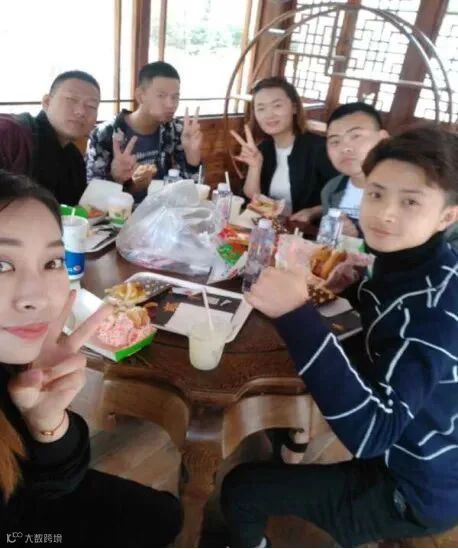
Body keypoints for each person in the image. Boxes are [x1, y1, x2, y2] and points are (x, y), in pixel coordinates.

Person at [221, 126, 458, 547]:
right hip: (413, 443)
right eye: (376, 194)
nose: (385, 214)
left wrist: (296, 313)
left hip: (418, 484)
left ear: (447, 217)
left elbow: (372, 433)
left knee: (241, 490)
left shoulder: (433, 315)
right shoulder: (417, 261)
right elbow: (387, 325)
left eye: (410, 202)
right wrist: (359, 287)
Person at [0, 171, 183, 547]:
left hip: (28, 496)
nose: (38, 297)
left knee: (166, 514)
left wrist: (46, 422)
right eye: (2, 264)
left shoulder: (17, 359)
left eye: (52, 262)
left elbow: (56, 481)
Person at [85, 61, 202, 202]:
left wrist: (192, 159)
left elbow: (191, 193)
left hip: (163, 210)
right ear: (140, 96)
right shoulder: (104, 134)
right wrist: (117, 180)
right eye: (161, 95)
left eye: (175, 97)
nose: (171, 104)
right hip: (120, 214)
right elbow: (93, 201)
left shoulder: (175, 130)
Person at [231, 77, 337, 217]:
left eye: (277, 106)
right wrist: (255, 166)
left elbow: (344, 196)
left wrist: (313, 212)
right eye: (261, 108)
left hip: (308, 229)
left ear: (294, 108)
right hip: (270, 226)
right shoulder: (263, 149)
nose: (269, 115)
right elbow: (252, 199)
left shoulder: (320, 148)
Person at [0, 71, 100, 205]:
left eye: (91, 106)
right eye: (71, 100)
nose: (81, 111)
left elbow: (77, 211)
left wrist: (116, 178)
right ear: (47, 102)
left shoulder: (74, 159)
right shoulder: (10, 133)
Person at [291, 102, 388, 237]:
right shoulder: (332, 189)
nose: (345, 148)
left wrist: (357, 237)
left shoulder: (403, 192)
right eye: (335, 141)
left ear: (383, 138)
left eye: (356, 136)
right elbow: (327, 241)